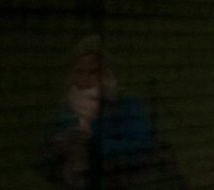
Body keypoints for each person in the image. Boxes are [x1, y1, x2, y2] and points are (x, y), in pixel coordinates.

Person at [37, 35, 169, 189]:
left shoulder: (124, 104)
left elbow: (140, 147)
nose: (86, 79)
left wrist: (94, 146)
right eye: (80, 72)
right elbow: (41, 158)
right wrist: (60, 147)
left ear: (105, 73)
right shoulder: (66, 109)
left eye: (93, 72)